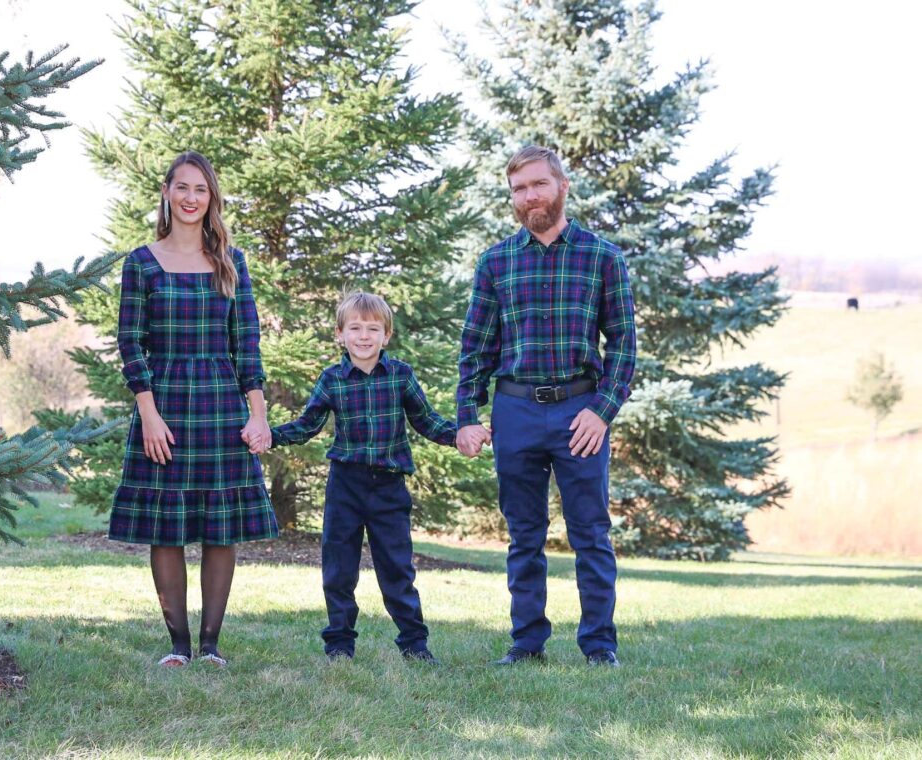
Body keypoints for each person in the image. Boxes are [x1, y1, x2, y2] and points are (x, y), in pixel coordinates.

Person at [456, 145, 636, 667]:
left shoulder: (602, 257)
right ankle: (527, 642)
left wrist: (602, 410)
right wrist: (468, 413)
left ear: (561, 186)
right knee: (524, 536)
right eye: (518, 189)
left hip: (581, 412)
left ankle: (600, 645)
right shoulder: (496, 263)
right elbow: (476, 347)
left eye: (537, 184)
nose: (528, 196)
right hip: (515, 412)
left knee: (590, 534)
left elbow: (623, 344)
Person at [109, 151, 278, 668]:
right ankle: (178, 646)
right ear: (166, 192)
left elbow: (246, 343)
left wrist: (258, 413)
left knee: (219, 527)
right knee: (166, 526)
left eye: (200, 189)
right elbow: (131, 343)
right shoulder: (141, 263)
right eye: (182, 187)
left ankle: (211, 647)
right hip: (164, 406)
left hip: (222, 405)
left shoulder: (232, 261)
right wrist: (149, 412)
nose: (190, 198)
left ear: (212, 198)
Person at [270, 291, 457, 663]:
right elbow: (307, 425)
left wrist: (459, 435)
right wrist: (268, 436)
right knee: (339, 568)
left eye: (373, 328)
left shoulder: (401, 375)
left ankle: (414, 645)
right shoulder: (332, 379)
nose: (364, 336)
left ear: (386, 335)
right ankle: (339, 644)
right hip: (346, 485)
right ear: (340, 334)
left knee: (397, 569)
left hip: (389, 487)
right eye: (355, 328)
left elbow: (426, 420)